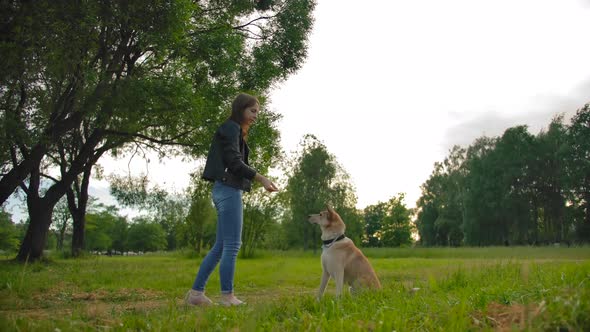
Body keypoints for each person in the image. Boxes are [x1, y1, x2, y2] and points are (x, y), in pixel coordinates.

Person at [185, 93, 279, 307]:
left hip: (224, 189)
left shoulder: (235, 131)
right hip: (227, 189)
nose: (256, 116)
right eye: (252, 111)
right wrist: (261, 178)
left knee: (220, 246)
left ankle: (196, 294)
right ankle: (227, 297)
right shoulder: (231, 128)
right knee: (233, 245)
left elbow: (234, 161)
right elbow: (234, 163)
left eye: (258, 112)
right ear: (241, 109)